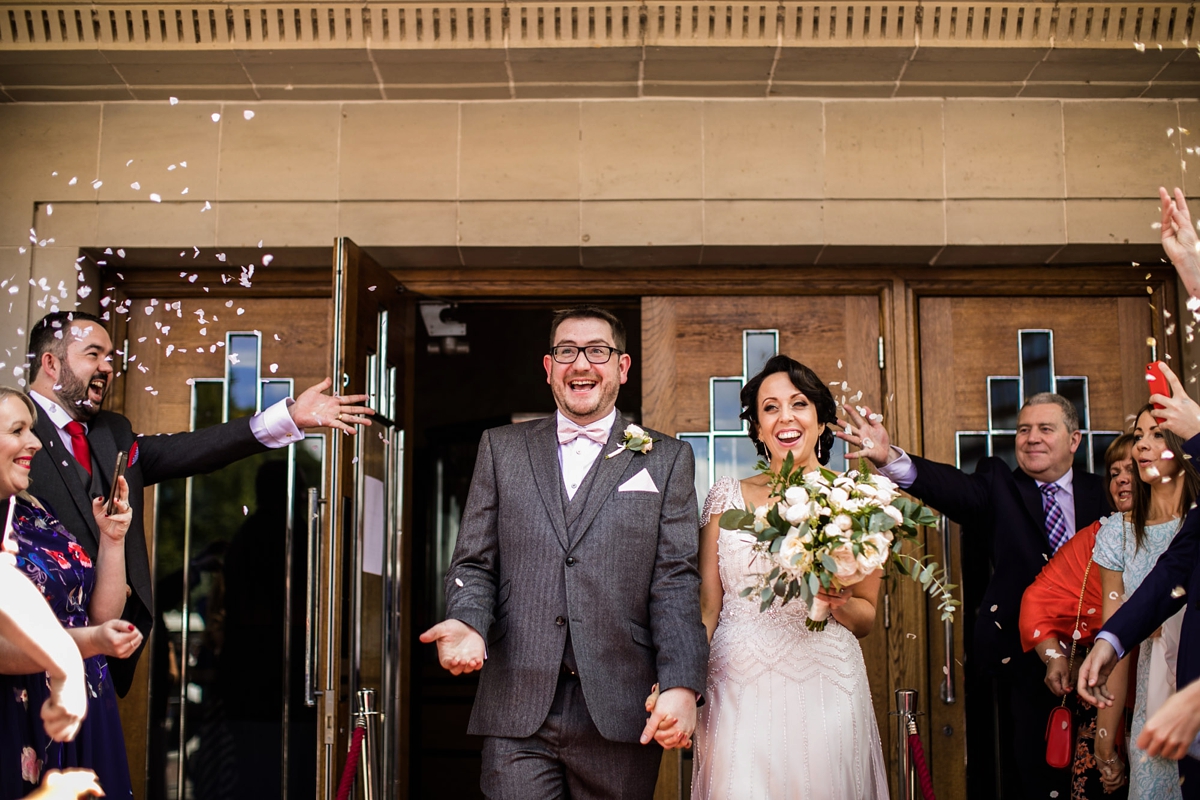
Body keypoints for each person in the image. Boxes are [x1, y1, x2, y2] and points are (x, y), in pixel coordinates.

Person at [419, 306, 709, 798]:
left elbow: (677, 581)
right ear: (549, 367)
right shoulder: (501, 449)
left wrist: (682, 683)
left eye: (597, 351)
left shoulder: (666, 458)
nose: (581, 364)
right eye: (566, 351)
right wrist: (468, 620)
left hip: (621, 705)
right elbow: (475, 562)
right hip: (517, 702)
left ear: (622, 367)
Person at [24, 310, 373, 695]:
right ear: (51, 363)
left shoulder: (114, 432)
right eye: (94, 355)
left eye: (111, 357)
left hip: (102, 660)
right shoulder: (11, 429)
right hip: (28, 650)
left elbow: (189, 451)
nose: (108, 367)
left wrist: (289, 416)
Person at [843, 392, 1109, 799]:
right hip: (1019, 672)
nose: (1031, 438)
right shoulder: (999, 486)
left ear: (1074, 441)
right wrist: (888, 458)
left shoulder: (1107, 493)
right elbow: (952, 488)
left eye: (1045, 429)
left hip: (1104, 668)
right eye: (1023, 430)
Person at [690, 355, 888, 799]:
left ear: (820, 422)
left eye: (799, 404)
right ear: (758, 429)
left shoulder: (858, 499)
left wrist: (834, 596)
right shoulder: (726, 497)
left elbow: (866, 618)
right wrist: (684, 683)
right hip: (736, 683)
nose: (786, 417)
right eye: (770, 407)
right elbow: (706, 609)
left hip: (826, 685)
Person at [0, 386, 141, 798]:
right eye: (18, 430)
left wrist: (112, 539)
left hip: (85, 709)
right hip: (22, 717)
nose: (35, 442)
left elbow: (95, 616)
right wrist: (90, 642)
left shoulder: (34, 510)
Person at [1079, 361, 1200, 799]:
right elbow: (1126, 630)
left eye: (1158, 434)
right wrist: (1106, 737)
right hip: (1156, 695)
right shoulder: (1120, 532)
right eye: (1138, 436)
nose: (1141, 448)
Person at [1019, 433, 1135, 798]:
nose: (1121, 479)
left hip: (1170, 685)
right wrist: (1056, 656)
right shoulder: (1102, 537)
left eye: (1133, 468)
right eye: (1114, 472)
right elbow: (1039, 598)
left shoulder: (1183, 535)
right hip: (1105, 696)